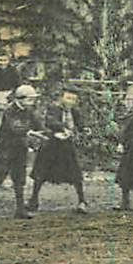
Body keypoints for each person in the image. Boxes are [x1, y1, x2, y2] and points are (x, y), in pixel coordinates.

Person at [0, 83, 42, 219]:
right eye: (29, 99)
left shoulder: (29, 112)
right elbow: (15, 128)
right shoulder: (10, 111)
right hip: (6, 149)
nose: (32, 102)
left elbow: (39, 126)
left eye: (33, 99)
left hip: (20, 149)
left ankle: (20, 210)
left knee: (19, 179)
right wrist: (31, 133)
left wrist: (46, 133)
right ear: (20, 99)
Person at [32, 85, 89, 215]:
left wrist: (84, 129)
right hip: (51, 145)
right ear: (62, 98)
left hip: (67, 146)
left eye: (73, 99)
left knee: (75, 173)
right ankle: (33, 200)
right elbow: (50, 121)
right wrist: (63, 128)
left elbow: (81, 124)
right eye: (68, 98)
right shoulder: (54, 109)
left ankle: (82, 201)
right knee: (40, 173)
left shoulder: (75, 111)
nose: (70, 102)